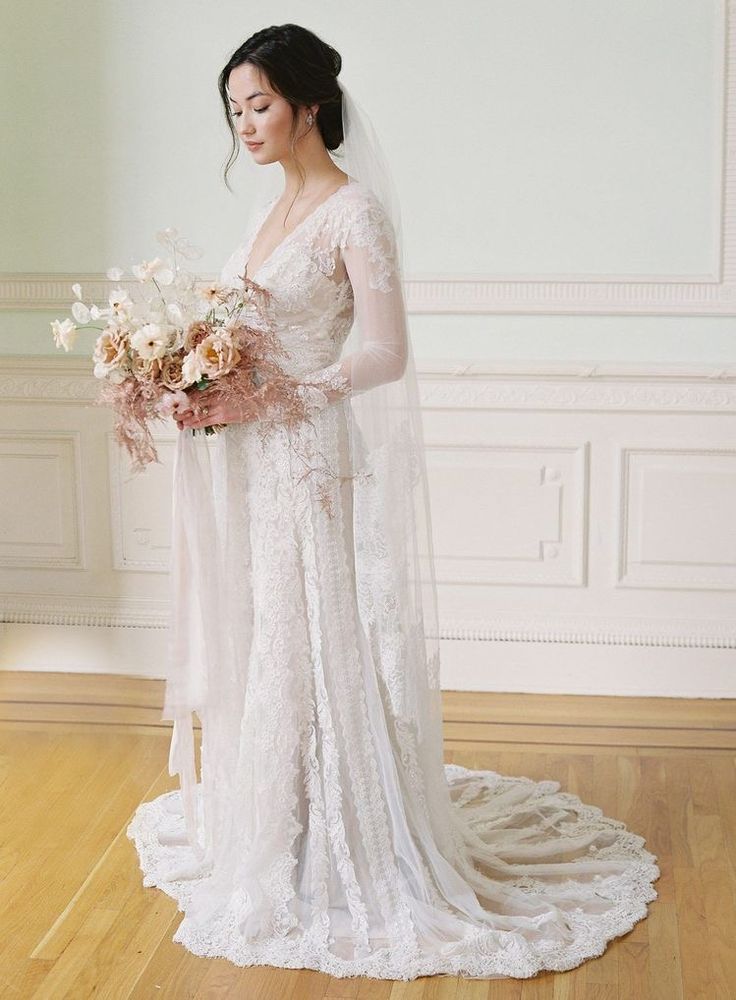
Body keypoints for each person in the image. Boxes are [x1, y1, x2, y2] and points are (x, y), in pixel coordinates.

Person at [126, 23, 660, 981]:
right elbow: (234, 330)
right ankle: (282, 820)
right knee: (265, 631)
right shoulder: (264, 212)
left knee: (309, 631)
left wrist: (285, 394)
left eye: (259, 104)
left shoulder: (351, 211)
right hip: (247, 451)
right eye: (233, 109)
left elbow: (384, 352)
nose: (244, 124)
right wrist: (189, 378)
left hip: (304, 454)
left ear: (309, 103)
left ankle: (347, 837)